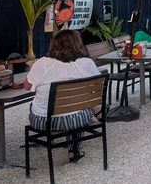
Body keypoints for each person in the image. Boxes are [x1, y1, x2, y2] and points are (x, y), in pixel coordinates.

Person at [24, 29, 101, 162]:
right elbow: (97, 90)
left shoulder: (41, 63)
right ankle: (73, 150)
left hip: (41, 122)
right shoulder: (86, 63)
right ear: (78, 44)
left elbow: (27, 86)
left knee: (42, 104)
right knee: (81, 106)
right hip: (74, 120)